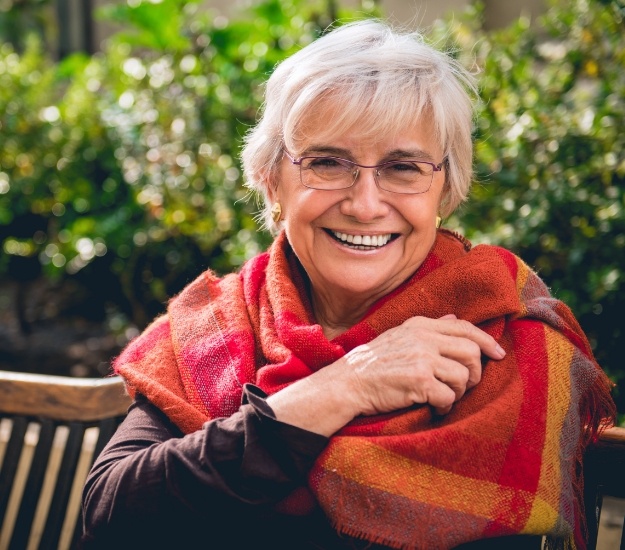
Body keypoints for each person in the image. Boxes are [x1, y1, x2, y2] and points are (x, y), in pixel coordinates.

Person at [80, 19, 615, 550]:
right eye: (327, 163)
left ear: (445, 188)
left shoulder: (504, 334)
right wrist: (344, 387)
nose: (364, 204)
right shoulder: (215, 325)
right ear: (271, 180)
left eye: (403, 167)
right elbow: (112, 512)